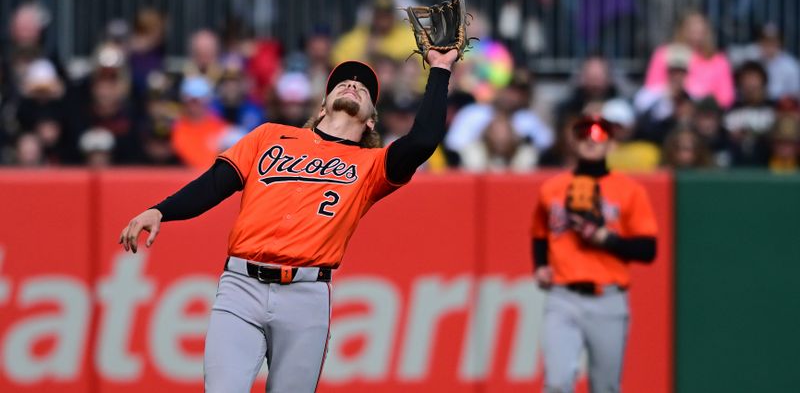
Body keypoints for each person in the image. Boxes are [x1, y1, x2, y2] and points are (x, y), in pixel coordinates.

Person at [118, 49, 458, 392]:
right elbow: (214, 184)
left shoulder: (372, 165)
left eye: (364, 88)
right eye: (343, 82)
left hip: (307, 295)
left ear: (372, 119)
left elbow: (423, 140)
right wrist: (161, 209)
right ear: (322, 106)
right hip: (241, 286)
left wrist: (441, 68)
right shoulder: (269, 136)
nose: (353, 85)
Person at [531, 114, 658, 393]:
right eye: (583, 134)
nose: (591, 139)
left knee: (605, 387)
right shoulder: (551, 188)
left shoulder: (629, 190)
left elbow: (648, 250)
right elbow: (539, 234)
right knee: (557, 383)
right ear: (573, 142)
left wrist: (607, 240)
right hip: (562, 296)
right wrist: (540, 265)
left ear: (611, 144)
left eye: (600, 135)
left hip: (608, 298)